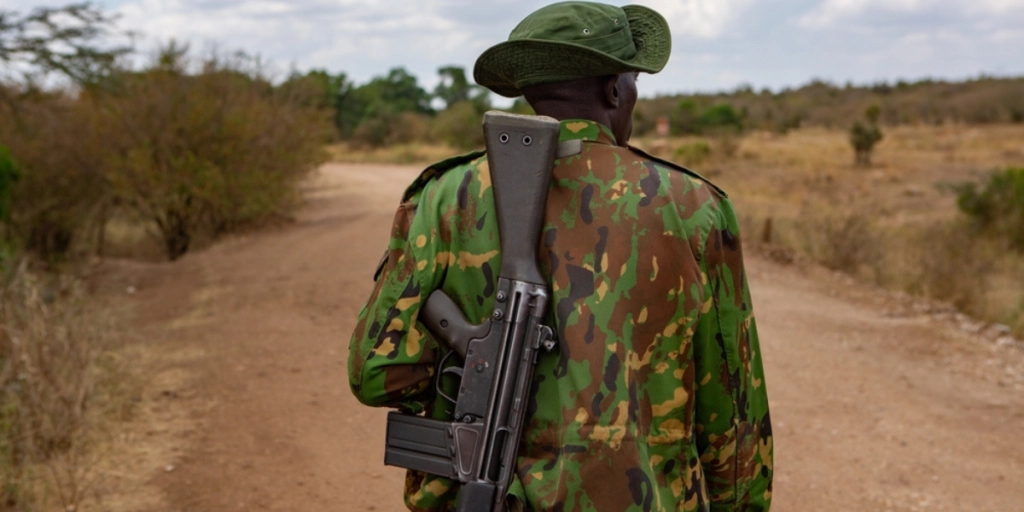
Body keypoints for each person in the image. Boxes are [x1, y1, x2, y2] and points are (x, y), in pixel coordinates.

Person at [348, 2, 773, 511]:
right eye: (633, 82)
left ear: (530, 91)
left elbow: (376, 374)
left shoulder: (442, 197)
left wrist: (461, 383)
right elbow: (733, 411)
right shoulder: (693, 206)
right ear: (616, 90)